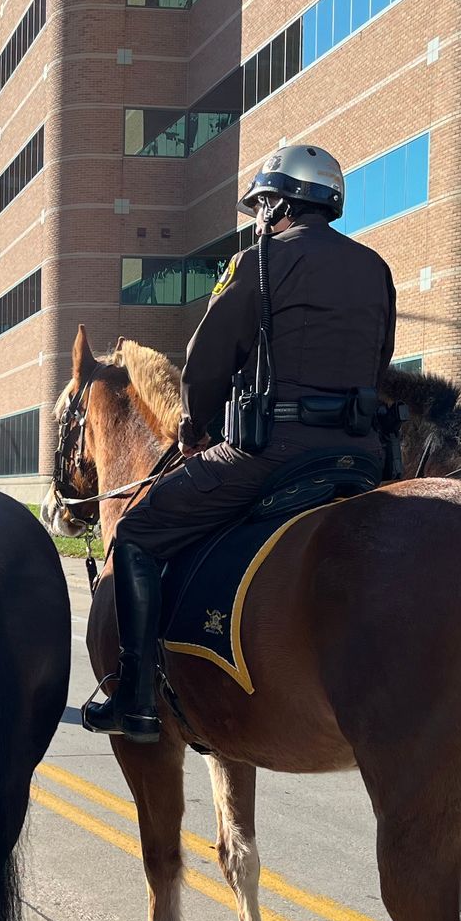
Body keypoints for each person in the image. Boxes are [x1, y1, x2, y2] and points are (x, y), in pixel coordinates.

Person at [82, 144, 397, 741]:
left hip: (271, 454)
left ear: (277, 203)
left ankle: (138, 696)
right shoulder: (374, 268)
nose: (257, 217)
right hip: (360, 456)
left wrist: (196, 428)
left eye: (260, 206)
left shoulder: (258, 261)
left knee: (135, 534)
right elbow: (378, 363)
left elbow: (205, 362)